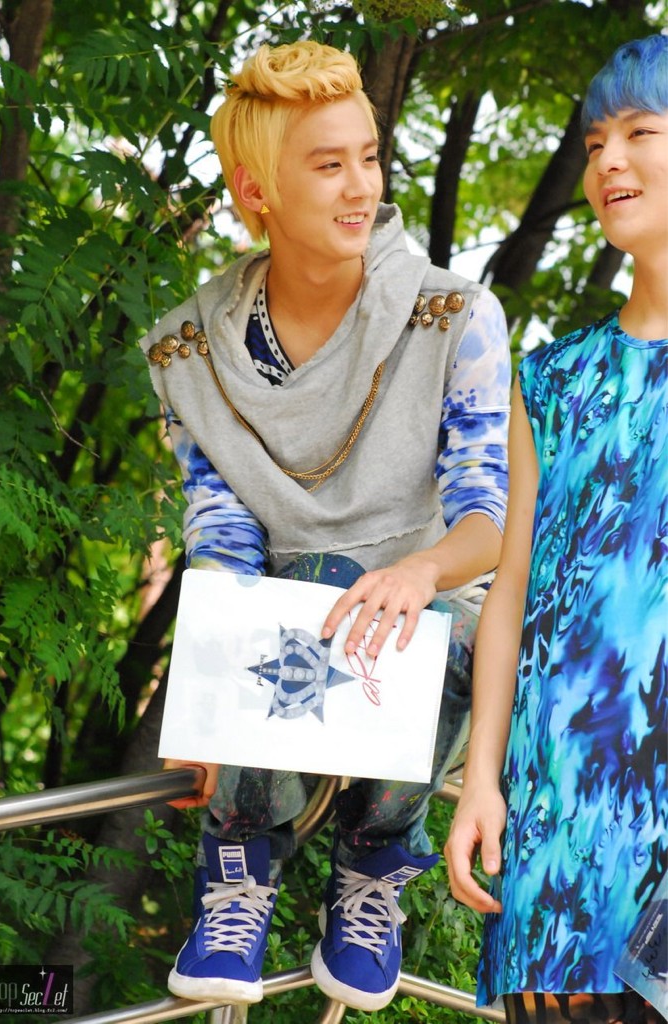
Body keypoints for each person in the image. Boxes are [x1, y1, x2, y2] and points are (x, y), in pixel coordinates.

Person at [140, 40, 510, 1012]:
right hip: (285, 617)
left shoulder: (455, 314)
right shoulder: (189, 351)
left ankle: (374, 861)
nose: (361, 187)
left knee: (453, 629)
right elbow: (221, 538)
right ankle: (239, 865)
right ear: (254, 191)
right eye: (328, 163)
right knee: (279, 595)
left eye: (369, 157)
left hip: (427, 598)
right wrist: (204, 700)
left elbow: (486, 518)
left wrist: (418, 573)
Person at [444, 33, 667, 1024]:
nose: (608, 159)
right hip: (558, 835)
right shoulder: (550, 380)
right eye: (593, 142)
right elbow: (510, 592)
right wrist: (479, 781)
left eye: (639, 132)